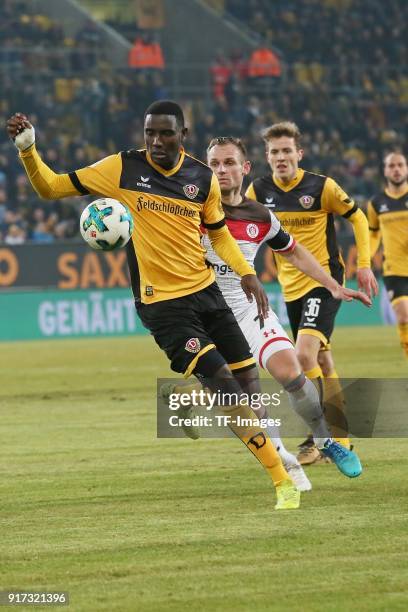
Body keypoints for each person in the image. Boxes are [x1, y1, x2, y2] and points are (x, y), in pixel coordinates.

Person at [7, 102, 297, 510]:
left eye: (165, 134)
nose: (156, 142)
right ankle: (282, 480)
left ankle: (191, 400)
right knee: (226, 386)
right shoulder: (122, 168)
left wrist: (245, 272)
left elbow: (218, 234)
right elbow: (50, 187)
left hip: (207, 292)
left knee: (249, 382)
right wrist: (27, 149)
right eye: (150, 134)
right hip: (163, 305)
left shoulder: (201, 177)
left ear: (183, 133)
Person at [162, 136, 369, 487]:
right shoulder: (190, 211)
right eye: (213, 164)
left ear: (245, 169)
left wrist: (333, 285)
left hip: (249, 311)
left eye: (229, 163)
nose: (221, 170)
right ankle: (283, 463)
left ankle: (326, 440)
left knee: (292, 372)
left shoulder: (259, 215)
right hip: (209, 315)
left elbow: (294, 251)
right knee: (245, 399)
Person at [246, 121, 378, 465]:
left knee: (304, 356)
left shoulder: (323, 187)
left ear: (299, 154)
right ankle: (342, 439)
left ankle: (319, 439)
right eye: (274, 152)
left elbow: (359, 218)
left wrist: (364, 264)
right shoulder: (258, 192)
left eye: (287, 151)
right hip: (290, 288)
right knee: (321, 361)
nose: (281, 157)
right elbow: (239, 226)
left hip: (325, 281)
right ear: (267, 157)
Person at [367, 152, 408, 360]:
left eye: (400, 165)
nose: (396, 169)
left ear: (406, 168)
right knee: (403, 316)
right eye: (391, 166)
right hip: (394, 269)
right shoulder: (376, 203)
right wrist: (366, 258)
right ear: (385, 170)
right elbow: (373, 234)